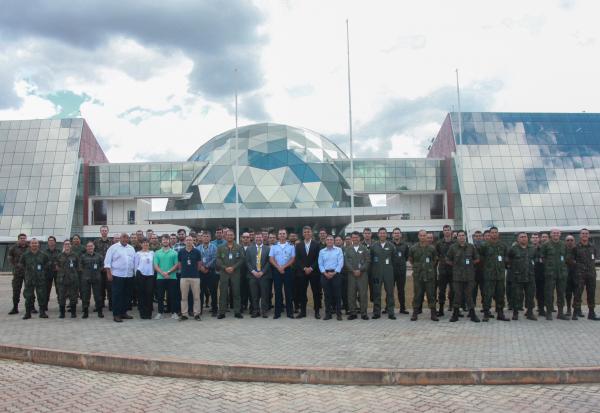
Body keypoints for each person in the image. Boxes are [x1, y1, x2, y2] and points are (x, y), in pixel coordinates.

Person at [446, 230, 480, 322]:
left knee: (469, 295)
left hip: (469, 276)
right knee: (457, 295)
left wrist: (470, 264)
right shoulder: (453, 248)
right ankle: (455, 314)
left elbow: (477, 258)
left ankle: (472, 314)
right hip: (457, 276)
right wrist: (456, 265)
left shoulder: (471, 247)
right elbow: (447, 259)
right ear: (457, 237)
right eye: (459, 235)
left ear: (465, 237)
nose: (461, 237)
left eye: (463, 235)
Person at [479, 227, 509, 322]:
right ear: (489, 234)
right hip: (489, 275)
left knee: (500, 295)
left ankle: (500, 313)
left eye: (496, 232)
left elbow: (506, 257)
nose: (494, 234)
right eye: (492, 232)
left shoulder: (503, 245)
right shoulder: (485, 246)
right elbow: (481, 258)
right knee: (487, 295)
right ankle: (486, 313)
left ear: (498, 234)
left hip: (500, 275)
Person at [104, 233, 136, 323]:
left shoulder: (131, 248)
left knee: (127, 295)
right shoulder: (113, 248)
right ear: (120, 238)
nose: (125, 240)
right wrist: (108, 274)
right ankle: (116, 314)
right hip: (117, 275)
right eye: (123, 238)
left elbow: (134, 262)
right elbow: (107, 262)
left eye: (127, 238)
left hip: (129, 275)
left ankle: (123, 312)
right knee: (117, 295)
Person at [409, 230, 438, 321]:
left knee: (431, 294)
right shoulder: (413, 248)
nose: (422, 237)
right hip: (418, 276)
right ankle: (415, 313)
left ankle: (433, 314)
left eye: (424, 235)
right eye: (421, 235)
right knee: (417, 294)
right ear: (418, 236)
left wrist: (428, 267)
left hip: (429, 276)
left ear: (426, 236)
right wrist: (418, 267)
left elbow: (435, 260)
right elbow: (411, 260)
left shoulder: (432, 248)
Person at [570, 228, 600, 320]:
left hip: (591, 274)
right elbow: (571, 260)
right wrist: (578, 266)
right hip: (580, 275)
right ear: (580, 235)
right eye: (583, 233)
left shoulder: (592, 247)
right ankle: (575, 312)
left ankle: (591, 313)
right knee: (578, 294)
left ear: (589, 235)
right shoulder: (575, 247)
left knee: (591, 293)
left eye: (586, 233)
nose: (585, 235)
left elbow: (595, 258)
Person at [540, 228, 569, 321]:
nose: (556, 234)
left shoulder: (563, 245)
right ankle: (548, 312)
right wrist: (548, 266)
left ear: (560, 234)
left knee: (561, 293)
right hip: (550, 274)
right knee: (549, 293)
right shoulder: (546, 245)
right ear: (551, 234)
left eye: (557, 233)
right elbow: (542, 257)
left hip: (561, 273)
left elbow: (566, 257)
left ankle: (560, 313)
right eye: (554, 233)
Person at [507, 232, 537, 321]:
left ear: (527, 238)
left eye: (525, 237)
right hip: (517, 277)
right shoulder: (513, 249)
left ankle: (530, 313)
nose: (523, 238)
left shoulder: (532, 249)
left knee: (530, 295)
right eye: (521, 237)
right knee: (516, 296)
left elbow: (535, 259)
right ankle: (515, 313)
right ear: (518, 239)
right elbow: (508, 260)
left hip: (530, 276)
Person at [294, 226, 322, 319]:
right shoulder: (298, 245)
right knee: (302, 292)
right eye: (305, 232)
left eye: (308, 232)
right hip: (302, 273)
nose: (307, 233)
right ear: (303, 234)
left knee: (316, 293)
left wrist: (311, 268)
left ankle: (317, 312)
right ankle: (303, 312)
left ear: (311, 233)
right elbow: (297, 259)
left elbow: (318, 258)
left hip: (314, 272)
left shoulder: (317, 244)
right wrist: (304, 268)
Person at [216, 230, 244, 319]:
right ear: (225, 236)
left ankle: (237, 312)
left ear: (234, 236)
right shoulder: (220, 247)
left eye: (231, 235)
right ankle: (222, 312)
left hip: (235, 273)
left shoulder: (239, 247)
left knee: (236, 292)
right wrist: (225, 268)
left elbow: (242, 259)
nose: (229, 236)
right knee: (223, 293)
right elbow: (218, 259)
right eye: (228, 235)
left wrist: (233, 267)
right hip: (224, 273)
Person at [19, 238, 50, 319]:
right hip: (29, 280)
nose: (34, 245)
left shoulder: (43, 255)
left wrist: (43, 272)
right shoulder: (25, 255)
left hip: (40, 280)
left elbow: (48, 264)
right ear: (30, 244)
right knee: (28, 296)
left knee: (42, 296)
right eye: (33, 243)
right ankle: (27, 313)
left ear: (38, 244)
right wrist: (27, 272)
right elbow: (21, 265)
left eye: (36, 243)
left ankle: (42, 312)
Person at [269, 228, 296, 319]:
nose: (282, 235)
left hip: (287, 270)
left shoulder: (291, 246)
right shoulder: (274, 246)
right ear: (278, 235)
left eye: (283, 234)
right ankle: (277, 312)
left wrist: (283, 267)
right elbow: (271, 258)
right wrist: (278, 267)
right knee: (277, 292)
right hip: (277, 270)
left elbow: (293, 259)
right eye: (280, 234)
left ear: (286, 235)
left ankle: (290, 312)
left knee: (288, 291)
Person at [370, 228, 396, 319]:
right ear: (378, 234)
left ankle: (391, 312)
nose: (382, 235)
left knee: (390, 292)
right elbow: (371, 259)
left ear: (386, 234)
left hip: (388, 273)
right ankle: (376, 312)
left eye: (384, 233)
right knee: (376, 292)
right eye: (380, 233)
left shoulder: (391, 246)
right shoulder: (373, 246)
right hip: (376, 273)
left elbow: (394, 259)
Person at [344, 231, 370, 320]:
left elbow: (367, 261)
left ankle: (364, 313)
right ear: (351, 239)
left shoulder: (365, 249)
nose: (355, 239)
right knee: (351, 294)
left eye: (357, 237)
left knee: (363, 294)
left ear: (360, 238)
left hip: (362, 275)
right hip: (351, 275)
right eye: (353, 237)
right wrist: (353, 270)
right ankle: (353, 313)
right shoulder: (347, 249)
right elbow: (346, 262)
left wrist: (360, 270)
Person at [318, 235, 344, 320]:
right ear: (325, 241)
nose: (329, 241)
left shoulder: (339, 250)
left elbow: (340, 262)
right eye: (328, 240)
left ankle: (339, 314)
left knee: (337, 295)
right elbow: (320, 264)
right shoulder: (322, 251)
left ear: (333, 241)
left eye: (331, 240)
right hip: (325, 274)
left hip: (336, 274)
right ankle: (328, 314)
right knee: (327, 295)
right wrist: (325, 273)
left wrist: (334, 272)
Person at [245, 232, 271, 318]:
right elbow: (247, 262)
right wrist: (253, 271)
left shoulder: (268, 248)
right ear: (254, 238)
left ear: (263, 238)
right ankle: (255, 311)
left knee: (264, 294)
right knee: (254, 294)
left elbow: (269, 262)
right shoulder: (249, 249)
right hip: (252, 275)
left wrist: (262, 272)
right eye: (257, 238)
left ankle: (264, 311)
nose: (258, 239)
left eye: (260, 237)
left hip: (264, 275)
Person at [153, 234, 179, 320]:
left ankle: (174, 312)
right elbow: (156, 266)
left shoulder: (174, 252)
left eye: (167, 240)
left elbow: (176, 265)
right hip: (160, 278)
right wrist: (162, 273)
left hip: (172, 278)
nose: (165, 241)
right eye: (163, 240)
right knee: (160, 296)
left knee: (172, 296)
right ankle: (160, 312)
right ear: (161, 241)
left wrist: (168, 272)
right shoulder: (157, 253)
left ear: (169, 241)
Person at [177, 236, 202, 321]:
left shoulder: (197, 252)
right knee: (184, 297)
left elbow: (199, 265)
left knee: (196, 297)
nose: (188, 241)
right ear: (185, 241)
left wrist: (194, 271)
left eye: (190, 240)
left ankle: (196, 314)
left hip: (195, 277)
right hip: (184, 277)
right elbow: (179, 265)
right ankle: (184, 314)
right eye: (187, 240)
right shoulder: (181, 252)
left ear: (193, 242)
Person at [79, 241, 105, 318]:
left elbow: (103, 265)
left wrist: (98, 271)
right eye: (88, 246)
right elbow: (80, 266)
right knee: (85, 296)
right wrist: (85, 272)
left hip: (96, 278)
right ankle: (86, 312)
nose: (90, 247)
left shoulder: (99, 256)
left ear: (94, 247)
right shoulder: (83, 256)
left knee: (98, 296)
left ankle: (99, 311)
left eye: (91, 246)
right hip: (86, 279)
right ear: (86, 248)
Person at [56, 240, 81, 319]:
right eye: (66, 244)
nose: (67, 245)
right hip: (62, 279)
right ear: (63, 245)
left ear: (71, 245)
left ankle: (73, 313)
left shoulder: (75, 255)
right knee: (61, 296)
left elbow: (78, 266)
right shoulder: (59, 255)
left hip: (72, 279)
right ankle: (62, 313)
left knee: (73, 296)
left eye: (68, 244)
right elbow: (57, 266)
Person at [197, 231, 218, 317]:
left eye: (207, 236)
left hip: (211, 272)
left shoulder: (214, 247)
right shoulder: (197, 248)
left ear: (210, 238)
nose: (205, 238)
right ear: (201, 238)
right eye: (204, 236)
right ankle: (200, 309)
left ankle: (214, 310)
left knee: (213, 291)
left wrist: (206, 267)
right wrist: (201, 267)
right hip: (200, 272)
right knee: (200, 291)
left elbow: (215, 258)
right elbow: (197, 259)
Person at [435, 225, 455, 317]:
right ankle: (441, 309)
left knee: (454, 290)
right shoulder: (439, 243)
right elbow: (436, 256)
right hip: (443, 270)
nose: (447, 232)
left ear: (451, 231)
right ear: (443, 232)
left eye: (448, 230)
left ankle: (454, 308)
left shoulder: (455, 243)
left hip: (453, 271)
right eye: (445, 230)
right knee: (441, 291)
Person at [8, 233, 30, 315]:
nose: (23, 239)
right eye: (21, 238)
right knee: (16, 290)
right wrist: (16, 266)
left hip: (28, 273)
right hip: (17, 273)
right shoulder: (13, 248)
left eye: (24, 238)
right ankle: (15, 307)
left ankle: (31, 307)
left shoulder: (30, 247)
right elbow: (10, 259)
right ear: (18, 239)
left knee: (29, 290)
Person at [134, 239, 155, 319]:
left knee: (149, 293)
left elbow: (154, 264)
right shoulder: (138, 254)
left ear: (149, 244)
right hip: (140, 275)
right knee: (141, 294)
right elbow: (136, 266)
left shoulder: (152, 253)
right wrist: (136, 276)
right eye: (144, 243)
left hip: (150, 275)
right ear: (141, 244)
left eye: (147, 243)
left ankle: (148, 313)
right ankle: (142, 313)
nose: (145, 244)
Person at [391, 228, 410, 314]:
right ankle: (389, 307)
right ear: (392, 235)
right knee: (389, 290)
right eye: (395, 233)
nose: (396, 234)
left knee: (401, 290)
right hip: (391, 271)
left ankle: (402, 308)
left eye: (398, 233)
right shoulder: (389, 245)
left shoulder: (405, 245)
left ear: (401, 235)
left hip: (401, 271)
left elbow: (406, 257)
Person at [94, 225, 113, 312]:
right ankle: (100, 304)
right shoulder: (96, 242)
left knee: (110, 287)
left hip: (109, 268)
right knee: (100, 287)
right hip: (99, 269)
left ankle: (111, 304)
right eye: (102, 230)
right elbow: (94, 254)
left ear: (108, 231)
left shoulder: (112, 242)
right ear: (100, 232)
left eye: (105, 230)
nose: (104, 232)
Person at [44, 236, 61, 312]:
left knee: (59, 289)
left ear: (55, 242)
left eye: (52, 240)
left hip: (57, 273)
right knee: (46, 290)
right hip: (47, 273)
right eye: (50, 240)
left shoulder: (59, 252)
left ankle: (61, 304)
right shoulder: (44, 252)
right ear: (48, 242)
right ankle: (44, 305)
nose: (51, 242)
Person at [531, 232, 545, 316]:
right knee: (530, 293)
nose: (535, 239)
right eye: (533, 237)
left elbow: (545, 259)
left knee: (541, 293)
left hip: (540, 274)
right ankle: (529, 310)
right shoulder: (527, 248)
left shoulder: (543, 248)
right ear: (531, 239)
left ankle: (541, 309)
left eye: (536, 237)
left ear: (539, 239)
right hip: (529, 273)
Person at [564, 235, 577, 317]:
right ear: (565, 241)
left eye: (571, 240)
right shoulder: (563, 250)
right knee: (568, 293)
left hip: (577, 274)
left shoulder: (577, 249)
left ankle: (577, 309)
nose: (570, 241)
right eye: (568, 240)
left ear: (574, 241)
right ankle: (568, 309)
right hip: (566, 275)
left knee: (577, 293)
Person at [471, 230, 484, 308]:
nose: (478, 238)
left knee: (485, 292)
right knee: (473, 292)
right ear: (474, 237)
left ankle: (486, 309)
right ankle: (472, 309)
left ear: (482, 237)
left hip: (483, 273)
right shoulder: (470, 247)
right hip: (473, 273)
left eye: (480, 236)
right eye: (476, 236)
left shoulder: (486, 247)